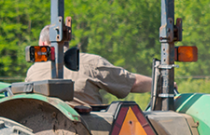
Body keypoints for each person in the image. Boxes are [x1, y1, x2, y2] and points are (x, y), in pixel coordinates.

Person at [25, 25, 153, 106]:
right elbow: (132, 83)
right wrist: (160, 84)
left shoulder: (32, 71)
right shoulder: (90, 62)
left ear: (42, 43)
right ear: (67, 42)